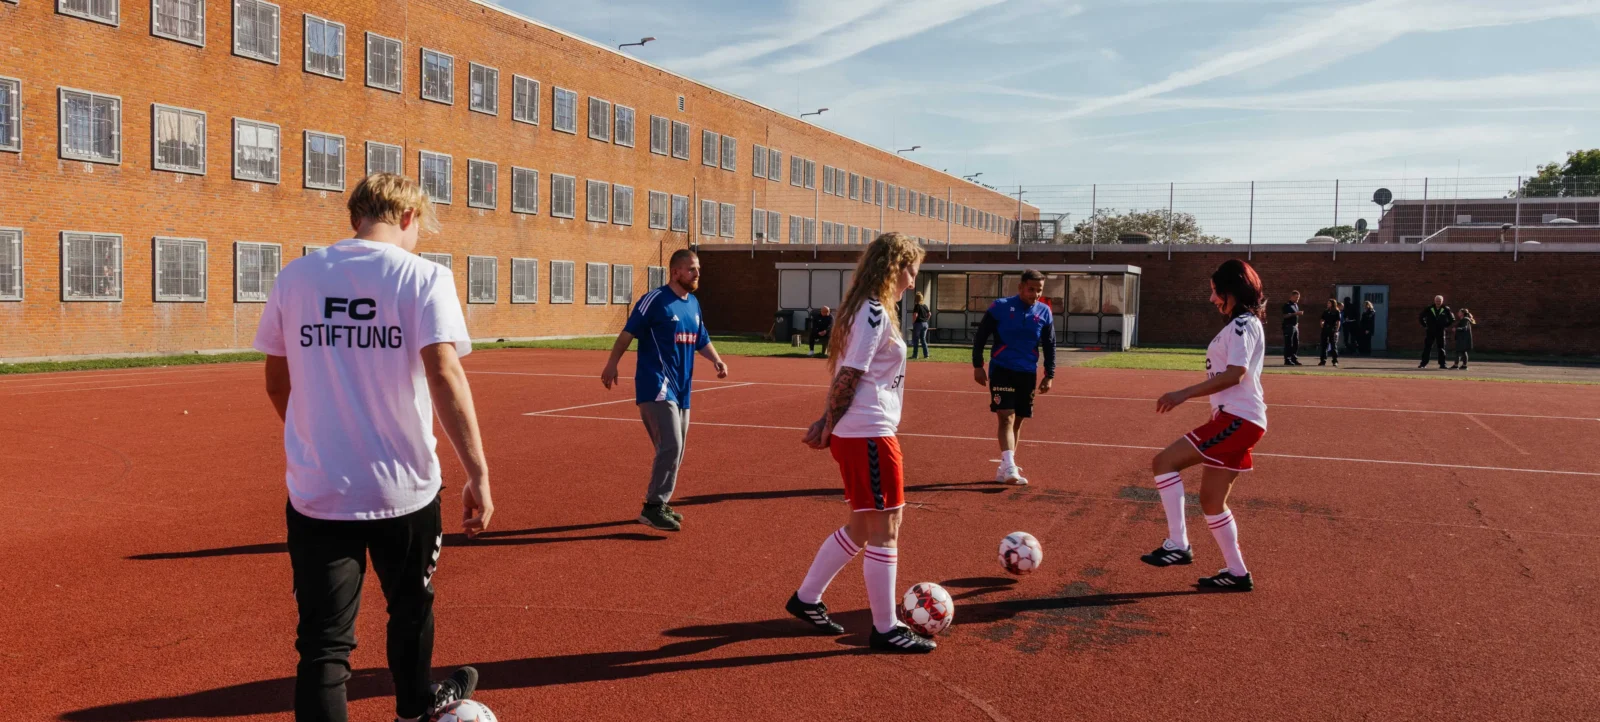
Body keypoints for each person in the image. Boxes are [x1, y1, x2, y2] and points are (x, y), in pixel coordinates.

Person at [253, 173, 490, 722]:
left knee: (323, 644)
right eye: (421, 227)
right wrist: (477, 472)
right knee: (410, 609)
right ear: (409, 218)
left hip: (318, 490)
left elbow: (275, 381)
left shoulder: (297, 277)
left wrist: (316, 433)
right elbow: (445, 375)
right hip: (402, 488)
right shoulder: (426, 277)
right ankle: (413, 707)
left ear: (355, 217)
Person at [786, 232, 934, 653]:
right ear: (896, 267)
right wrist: (829, 422)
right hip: (869, 432)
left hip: (861, 429)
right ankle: (885, 628)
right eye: (911, 271)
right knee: (887, 526)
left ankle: (806, 598)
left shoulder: (864, 310)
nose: (912, 280)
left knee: (862, 526)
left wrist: (827, 420)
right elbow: (849, 376)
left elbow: (847, 374)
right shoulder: (872, 312)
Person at [1139, 258, 1268, 592]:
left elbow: (1234, 374)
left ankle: (1178, 544)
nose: (1212, 299)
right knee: (1211, 500)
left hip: (1238, 419)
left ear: (1233, 291)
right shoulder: (1240, 324)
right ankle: (1238, 573)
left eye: (1215, 292)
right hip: (1238, 419)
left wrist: (1183, 393)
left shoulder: (1242, 325)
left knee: (1163, 462)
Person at [601, 249, 730, 532]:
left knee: (676, 448)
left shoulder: (693, 303)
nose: (698, 274)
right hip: (656, 385)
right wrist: (612, 364)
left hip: (683, 390)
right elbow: (627, 333)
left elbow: (701, 339)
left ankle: (661, 501)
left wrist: (716, 359)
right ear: (676, 271)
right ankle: (652, 506)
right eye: (692, 269)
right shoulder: (655, 300)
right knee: (671, 444)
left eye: (698, 269)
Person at [971, 270, 1057, 486]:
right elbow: (980, 337)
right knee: (1006, 416)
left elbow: (1049, 344)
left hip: (1027, 371)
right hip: (1002, 369)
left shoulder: (1044, 312)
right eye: (1031, 289)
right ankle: (1010, 466)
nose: (1035, 294)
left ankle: (1005, 467)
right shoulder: (999, 306)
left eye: (1039, 290)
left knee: (1017, 420)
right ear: (1020, 287)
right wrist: (978, 366)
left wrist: (1049, 374)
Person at [1419, 295, 1453, 369]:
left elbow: (1452, 319)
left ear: (1442, 301)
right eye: (1437, 301)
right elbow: (1421, 317)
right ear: (1434, 301)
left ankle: (1442, 364)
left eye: (1439, 301)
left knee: (1441, 348)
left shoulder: (1446, 309)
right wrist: (1425, 325)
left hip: (1440, 331)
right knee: (1427, 347)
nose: (1438, 302)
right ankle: (1423, 364)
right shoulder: (1429, 308)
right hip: (1430, 331)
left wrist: (1445, 326)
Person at [1280, 290, 1303, 366]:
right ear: (1291, 296)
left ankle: (1294, 358)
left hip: (1295, 326)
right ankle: (1287, 359)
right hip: (1288, 326)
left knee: (1296, 343)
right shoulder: (1287, 305)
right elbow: (1285, 316)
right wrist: (1295, 313)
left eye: (1298, 298)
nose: (1297, 299)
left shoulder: (1296, 305)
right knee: (1289, 343)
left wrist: (1297, 323)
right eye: (1296, 297)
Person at [1318, 299, 1340, 367]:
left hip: (1332, 329)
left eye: (1329, 303)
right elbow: (1322, 319)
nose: (1328, 304)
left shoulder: (1336, 311)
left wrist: (1337, 329)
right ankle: (1323, 361)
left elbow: (1338, 321)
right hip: (1325, 329)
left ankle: (1335, 361)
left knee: (1333, 346)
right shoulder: (1326, 311)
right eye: (1328, 303)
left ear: (1333, 304)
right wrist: (1321, 323)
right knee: (1324, 345)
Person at [909, 292, 932, 359]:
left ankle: (915, 355)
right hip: (925, 324)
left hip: (918, 324)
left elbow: (915, 315)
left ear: (916, 299)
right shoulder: (925, 306)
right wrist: (926, 319)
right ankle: (926, 355)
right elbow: (930, 314)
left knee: (916, 340)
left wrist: (913, 322)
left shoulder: (917, 306)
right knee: (923, 339)